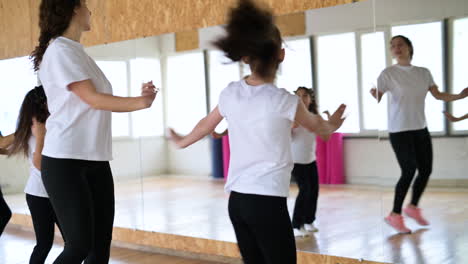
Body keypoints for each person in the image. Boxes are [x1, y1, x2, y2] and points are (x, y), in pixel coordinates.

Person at [168, 1, 346, 263]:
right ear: (281, 55)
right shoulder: (285, 100)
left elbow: (207, 124)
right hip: (267, 201)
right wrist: (334, 124)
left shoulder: (231, 92)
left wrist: (182, 142)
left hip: (237, 202)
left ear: (246, 57)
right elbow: (320, 128)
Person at [31, 0, 157, 262]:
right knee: (78, 245)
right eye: (86, 6)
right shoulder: (59, 50)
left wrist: (139, 100)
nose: (90, 11)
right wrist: (140, 102)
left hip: (96, 159)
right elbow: (92, 98)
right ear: (73, 9)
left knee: (100, 248)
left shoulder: (77, 52)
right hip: (65, 160)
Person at [371, 35, 468, 234]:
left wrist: (459, 96)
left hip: (420, 128)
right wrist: (375, 94)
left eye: (400, 44)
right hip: (399, 130)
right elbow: (378, 95)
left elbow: (438, 95)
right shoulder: (388, 73)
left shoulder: (423, 73)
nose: (396, 48)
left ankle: (412, 207)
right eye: (393, 46)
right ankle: (394, 215)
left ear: (409, 47)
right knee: (409, 170)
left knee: (425, 170)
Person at [8, 86, 65, 264]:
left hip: (56, 194)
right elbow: (40, 165)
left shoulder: (45, 126)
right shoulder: (37, 129)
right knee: (45, 244)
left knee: (75, 244)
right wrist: (40, 137)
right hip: (39, 195)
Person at [291, 87, 321, 237]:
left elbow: (325, 131)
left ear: (311, 99)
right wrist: (291, 125)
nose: (302, 99)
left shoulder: (314, 117)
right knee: (305, 190)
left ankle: (309, 220)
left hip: (311, 160)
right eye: (298, 96)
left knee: (314, 191)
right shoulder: (291, 116)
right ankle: (297, 224)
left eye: (305, 96)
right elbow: (283, 135)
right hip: (296, 161)